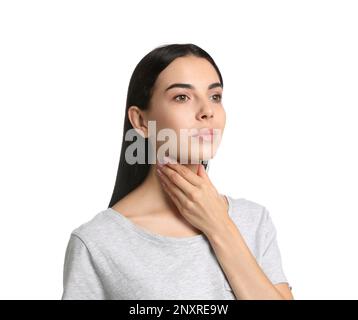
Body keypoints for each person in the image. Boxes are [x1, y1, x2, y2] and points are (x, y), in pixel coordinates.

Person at [61, 43, 293, 300]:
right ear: (140, 121)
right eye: (182, 97)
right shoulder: (97, 242)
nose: (207, 111)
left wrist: (219, 225)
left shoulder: (254, 221)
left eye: (215, 96)